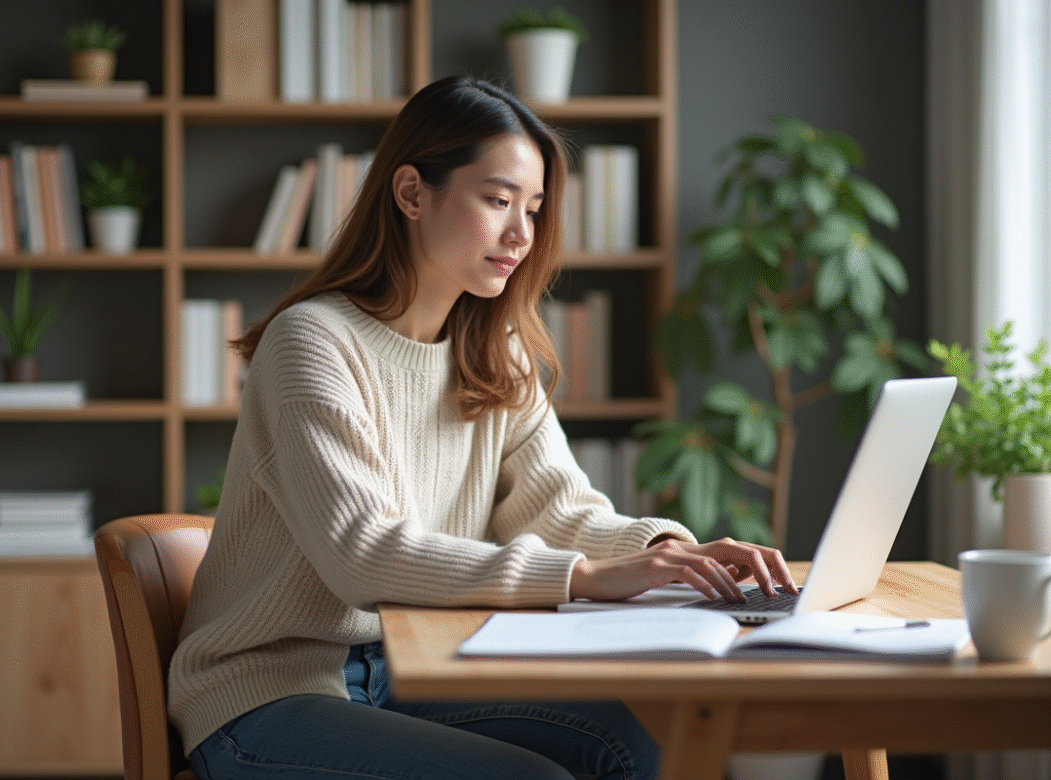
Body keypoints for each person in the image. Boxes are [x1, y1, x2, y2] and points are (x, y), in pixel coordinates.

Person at [168, 75, 797, 780]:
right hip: (266, 693)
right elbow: (362, 554)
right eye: (497, 201)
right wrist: (586, 579)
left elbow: (558, 509)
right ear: (411, 193)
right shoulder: (311, 342)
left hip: (410, 667)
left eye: (532, 208)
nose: (521, 235)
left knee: (634, 739)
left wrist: (674, 554)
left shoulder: (494, 352)